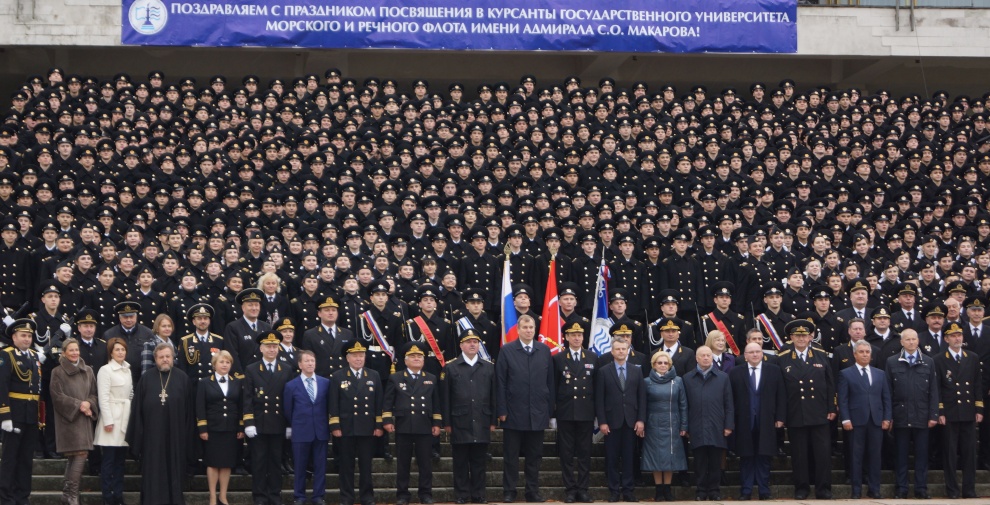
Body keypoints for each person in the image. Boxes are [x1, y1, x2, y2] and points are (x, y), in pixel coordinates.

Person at [495, 314, 554, 503]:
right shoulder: (507, 350)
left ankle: (532, 491)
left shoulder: (544, 350)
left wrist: (550, 411)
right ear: (518, 330)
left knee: (534, 457)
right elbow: (500, 382)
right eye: (525, 327)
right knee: (511, 456)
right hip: (513, 413)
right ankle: (509, 491)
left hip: (538, 412)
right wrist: (501, 410)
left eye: (531, 327)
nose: (528, 331)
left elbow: (550, 383)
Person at [126, 343, 192, 505]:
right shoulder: (146, 378)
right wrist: (138, 438)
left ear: (173, 358)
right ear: (155, 359)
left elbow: (189, 412)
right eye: (161, 357)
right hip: (151, 437)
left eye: (168, 356)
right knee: (153, 471)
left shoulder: (183, 378)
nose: (165, 360)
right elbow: (137, 410)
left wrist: (187, 437)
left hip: (175, 436)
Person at [778, 319, 836, 500]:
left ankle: (823, 488)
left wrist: (832, 407)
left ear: (811, 337)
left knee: (822, 454)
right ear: (791, 337)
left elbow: (830, 383)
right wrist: (782, 414)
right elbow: (781, 389)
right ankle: (801, 488)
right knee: (799, 454)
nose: (801, 339)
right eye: (797, 335)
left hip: (819, 411)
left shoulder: (820, 354)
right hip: (796, 412)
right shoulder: (783, 357)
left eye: (804, 335)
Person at [440, 329, 496, 505]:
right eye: (468, 342)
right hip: (459, 420)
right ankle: (462, 494)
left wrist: (493, 420)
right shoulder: (451, 367)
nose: (472, 345)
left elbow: (493, 396)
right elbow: (445, 397)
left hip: (481, 419)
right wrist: (446, 422)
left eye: (475, 342)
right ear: (461, 345)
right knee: (460, 461)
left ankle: (479, 494)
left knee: (479, 461)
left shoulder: (488, 367)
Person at [383, 342, 442, 505]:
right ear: (405, 360)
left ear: (424, 360)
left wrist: (437, 422)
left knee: (425, 463)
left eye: (419, 357)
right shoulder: (396, 377)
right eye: (413, 356)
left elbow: (436, 403)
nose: (416, 359)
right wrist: (387, 420)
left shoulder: (431, 378)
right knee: (403, 463)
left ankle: (426, 494)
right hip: (404, 425)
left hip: (424, 425)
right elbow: (388, 401)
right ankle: (402, 495)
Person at [884, 329, 938, 499]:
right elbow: (888, 392)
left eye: (914, 339)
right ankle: (901, 488)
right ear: (901, 342)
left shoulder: (928, 361)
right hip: (900, 415)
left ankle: (921, 489)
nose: (911, 342)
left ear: (918, 341)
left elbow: (933, 391)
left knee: (922, 455)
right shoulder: (892, 362)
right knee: (901, 455)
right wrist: (888, 415)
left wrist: (933, 415)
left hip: (922, 416)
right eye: (907, 339)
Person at [329, 341, 384, 505]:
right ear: (348, 358)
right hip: (346, 428)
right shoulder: (338, 376)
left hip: (367, 427)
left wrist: (378, 425)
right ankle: (347, 497)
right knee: (346, 466)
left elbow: (378, 402)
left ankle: (367, 497)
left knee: (366, 466)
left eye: (361, 355)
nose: (358, 359)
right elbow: (333, 403)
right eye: (355, 356)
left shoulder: (373, 375)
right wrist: (335, 425)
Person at [243, 331, 295, 505]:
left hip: (278, 423)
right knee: (258, 462)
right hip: (259, 423)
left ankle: (274, 495)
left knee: (275, 461)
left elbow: (289, 399)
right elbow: (247, 398)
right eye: (268, 346)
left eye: (274, 346)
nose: (272, 349)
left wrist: (289, 424)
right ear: (261, 348)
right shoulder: (251, 369)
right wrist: (249, 422)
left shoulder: (286, 369)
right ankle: (259, 496)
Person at [729, 342, 785, 501]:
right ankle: (746, 491)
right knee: (746, 457)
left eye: (757, 351)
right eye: (751, 352)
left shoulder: (774, 371)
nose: (754, 354)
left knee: (764, 456)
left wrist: (780, 417)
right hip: (743, 421)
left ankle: (764, 490)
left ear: (762, 354)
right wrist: (731, 420)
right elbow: (730, 399)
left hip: (767, 420)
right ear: (745, 356)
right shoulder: (735, 372)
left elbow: (781, 395)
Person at [934, 322, 984, 498]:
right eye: (953, 336)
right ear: (946, 339)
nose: (957, 338)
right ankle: (952, 490)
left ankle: (969, 489)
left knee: (969, 453)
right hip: (949, 412)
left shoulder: (972, 357)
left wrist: (979, 408)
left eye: (959, 335)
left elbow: (977, 384)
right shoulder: (939, 359)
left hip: (968, 411)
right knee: (949, 453)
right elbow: (937, 388)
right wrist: (940, 411)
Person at [837, 339, 892, 499]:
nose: (865, 355)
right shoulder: (846, 373)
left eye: (867, 352)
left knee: (875, 456)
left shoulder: (880, 374)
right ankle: (856, 490)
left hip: (876, 420)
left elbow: (886, 398)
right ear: (855, 354)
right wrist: (845, 419)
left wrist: (887, 417)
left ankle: (874, 489)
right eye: (861, 352)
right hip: (856, 421)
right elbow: (843, 399)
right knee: (856, 456)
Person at [595, 336, 646, 502]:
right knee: (612, 458)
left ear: (628, 350)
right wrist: (602, 421)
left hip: (631, 421)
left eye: (624, 349)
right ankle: (614, 491)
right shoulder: (604, 371)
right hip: (611, 422)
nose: (621, 351)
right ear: (612, 351)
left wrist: (641, 419)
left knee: (629, 457)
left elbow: (641, 397)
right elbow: (599, 399)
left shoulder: (636, 370)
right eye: (617, 349)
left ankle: (629, 491)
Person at [50, 338, 100, 505]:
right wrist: (79, 405)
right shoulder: (57, 372)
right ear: (64, 353)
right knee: (79, 454)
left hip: (84, 419)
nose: (74, 353)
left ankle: (67, 494)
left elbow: (94, 393)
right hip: (68, 419)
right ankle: (72, 495)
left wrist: (89, 404)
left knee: (76, 456)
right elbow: (57, 396)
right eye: (71, 350)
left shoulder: (88, 370)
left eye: (76, 350)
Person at [682, 345, 734, 501]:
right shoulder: (687, 378)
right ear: (696, 358)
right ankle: (701, 491)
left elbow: (729, 404)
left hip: (717, 425)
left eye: (708, 355)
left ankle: (714, 491)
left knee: (715, 461)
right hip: (696, 425)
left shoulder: (723, 377)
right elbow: (684, 405)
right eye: (702, 355)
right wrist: (685, 426)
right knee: (699, 461)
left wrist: (728, 425)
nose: (706, 358)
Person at [0, 319, 42, 505]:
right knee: (10, 458)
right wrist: (5, 415)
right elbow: (2, 386)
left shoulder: (34, 356)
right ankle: (6, 498)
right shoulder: (6, 355)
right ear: (14, 337)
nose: (27, 339)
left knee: (26, 459)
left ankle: (22, 497)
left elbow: (37, 388)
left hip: (30, 414)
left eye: (29, 336)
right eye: (23, 335)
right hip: (14, 414)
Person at [553, 323, 596, 504]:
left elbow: (596, 386)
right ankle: (570, 489)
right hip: (566, 412)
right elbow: (554, 386)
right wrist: (553, 413)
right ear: (567, 337)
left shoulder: (592, 357)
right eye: (573, 335)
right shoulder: (558, 358)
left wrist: (597, 414)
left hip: (586, 412)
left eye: (579, 334)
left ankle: (583, 489)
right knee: (567, 453)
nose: (577, 338)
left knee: (585, 453)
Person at [195, 350, 244, 505]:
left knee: (227, 463)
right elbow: (200, 406)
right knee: (213, 463)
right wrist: (202, 428)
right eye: (221, 362)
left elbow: (241, 406)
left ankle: (223, 496)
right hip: (212, 429)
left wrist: (241, 427)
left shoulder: (237, 382)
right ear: (214, 365)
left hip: (230, 428)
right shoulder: (204, 382)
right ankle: (212, 497)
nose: (225, 365)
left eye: (227, 362)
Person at [284, 349, 330, 505]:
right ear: (300, 364)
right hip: (301, 431)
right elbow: (288, 410)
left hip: (320, 430)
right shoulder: (291, 385)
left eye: (312, 361)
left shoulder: (325, 383)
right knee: (300, 466)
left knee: (320, 466)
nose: (310, 363)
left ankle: (318, 496)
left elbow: (328, 406)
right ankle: (299, 496)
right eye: (307, 361)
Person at [641, 349, 687, 502]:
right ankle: (658, 490)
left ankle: (667, 489)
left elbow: (683, 404)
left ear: (670, 365)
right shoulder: (646, 382)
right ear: (653, 364)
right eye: (659, 363)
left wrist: (684, 425)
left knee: (669, 456)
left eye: (665, 363)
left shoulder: (678, 381)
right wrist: (643, 423)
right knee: (656, 456)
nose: (662, 365)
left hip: (672, 423)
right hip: (653, 423)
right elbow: (643, 405)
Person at [95, 337, 132, 505]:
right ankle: (107, 496)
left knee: (120, 461)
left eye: (123, 349)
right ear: (111, 352)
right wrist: (108, 420)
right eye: (117, 349)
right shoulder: (105, 370)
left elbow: (130, 393)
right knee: (109, 460)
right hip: (111, 417)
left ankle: (118, 494)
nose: (121, 352)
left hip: (124, 416)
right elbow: (102, 397)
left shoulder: (127, 370)